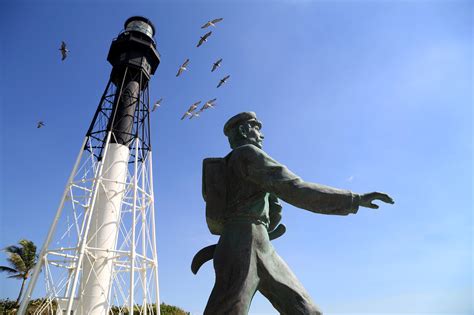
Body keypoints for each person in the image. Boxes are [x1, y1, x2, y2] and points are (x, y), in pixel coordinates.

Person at [199, 112, 394, 315]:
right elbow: (295, 188)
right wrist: (354, 199)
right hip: (242, 244)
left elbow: (273, 206)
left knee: (305, 309)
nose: (262, 135)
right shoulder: (248, 154)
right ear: (243, 130)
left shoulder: (236, 163)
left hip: (256, 243)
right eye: (257, 128)